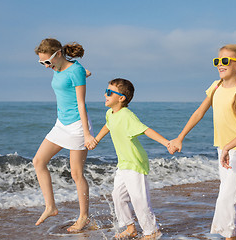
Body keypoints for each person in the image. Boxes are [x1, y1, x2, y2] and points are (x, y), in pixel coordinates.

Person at [168, 44, 236, 240]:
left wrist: (229, 147)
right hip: (222, 149)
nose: (219, 64)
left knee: (226, 197)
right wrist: (180, 137)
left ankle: (227, 236)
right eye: (217, 61)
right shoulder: (215, 86)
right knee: (232, 196)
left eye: (225, 61)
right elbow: (199, 113)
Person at [89, 78, 166, 240]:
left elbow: (146, 130)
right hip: (123, 164)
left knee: (139, 199)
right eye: (106, 91)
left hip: (135, 162)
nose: (105, 94)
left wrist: (166, 143)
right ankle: (131, 228)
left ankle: (152, 231)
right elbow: (108, 125)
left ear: (121, 98)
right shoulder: (110, 113)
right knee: (117, 196)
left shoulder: (127, 115)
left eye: (109, 92)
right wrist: (96, 139)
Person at [33, 38, 95, 232]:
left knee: (76, 174)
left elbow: (81, 105)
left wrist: (86, 135)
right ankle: (51, 206)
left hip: (77, 126)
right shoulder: (60, 68)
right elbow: (77, 73)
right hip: (61, 124)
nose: (45, 66)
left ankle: (83, 217)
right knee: (38, 161)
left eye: (47, 62)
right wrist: (86, 73)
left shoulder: (75, 71)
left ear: (58, 54)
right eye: (41, 63)